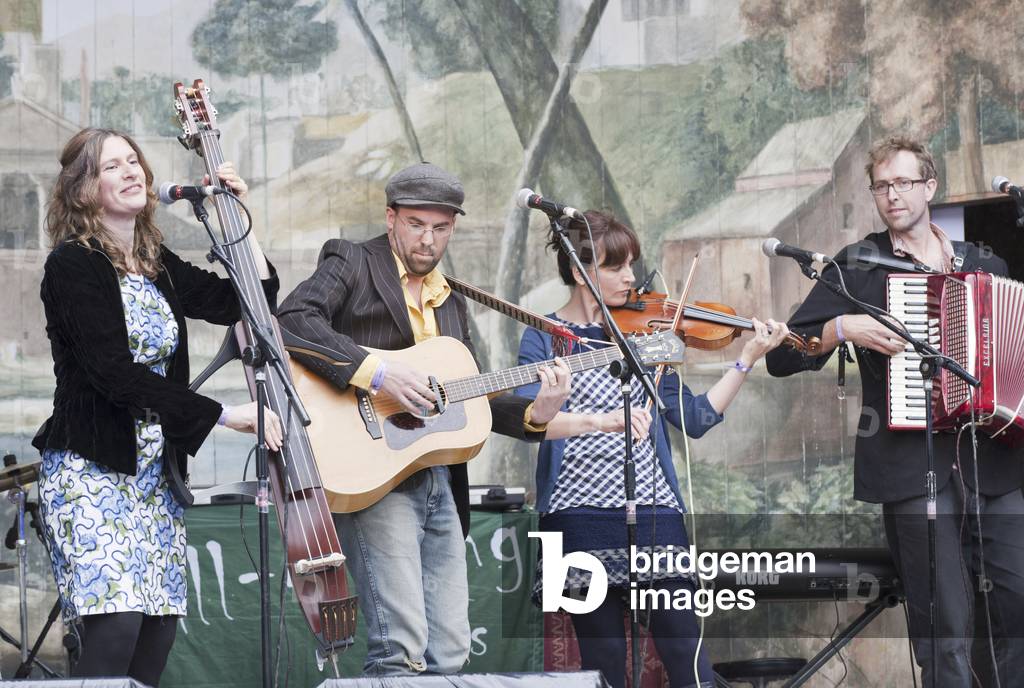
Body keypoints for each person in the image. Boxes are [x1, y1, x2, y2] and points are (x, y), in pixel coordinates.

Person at [276, 162, 571, 676]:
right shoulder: (352, 260)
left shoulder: (451, 300)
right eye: (416, 224)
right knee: (401, 647)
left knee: (451, 650)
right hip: (376, 473)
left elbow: (465, 396)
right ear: (391, 217)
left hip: (440, 480)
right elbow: (292, 321)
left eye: (440, 227)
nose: (428, 239)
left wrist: (535, 413)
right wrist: (378, 374)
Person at [766, 135, 1024, 686]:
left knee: (1018, 605)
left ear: (930, 187)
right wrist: (841, 327)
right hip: (914, 470)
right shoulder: (857, 267)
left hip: (992, 465)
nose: (892, 195)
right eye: (881, 186)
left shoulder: (984, 263)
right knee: (944, 627)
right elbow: (783, 356)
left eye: (903, 183)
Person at [32, 127, 283, 686]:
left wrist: (238, 220)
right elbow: (112, 373)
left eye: (133, 161)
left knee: (155, 639)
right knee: (115, 629)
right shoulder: (72, 265)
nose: (130, 171)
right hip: (93, 472)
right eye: (111, 166)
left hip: (154, 479)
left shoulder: (154, 261)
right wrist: (223, 415)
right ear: (83, 188)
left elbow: (247, 302)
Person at [516, 211, 789, 688]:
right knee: (605, 664)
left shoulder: (646, 337)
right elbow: (530, 421)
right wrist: (577, 413)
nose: (630, 278)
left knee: (687, 655)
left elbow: (695, 418)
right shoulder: (543, 335)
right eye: (615, 266)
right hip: (576, 516)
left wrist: (746, 359)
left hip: (655, 511)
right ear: (580, 271)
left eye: (632, 265)